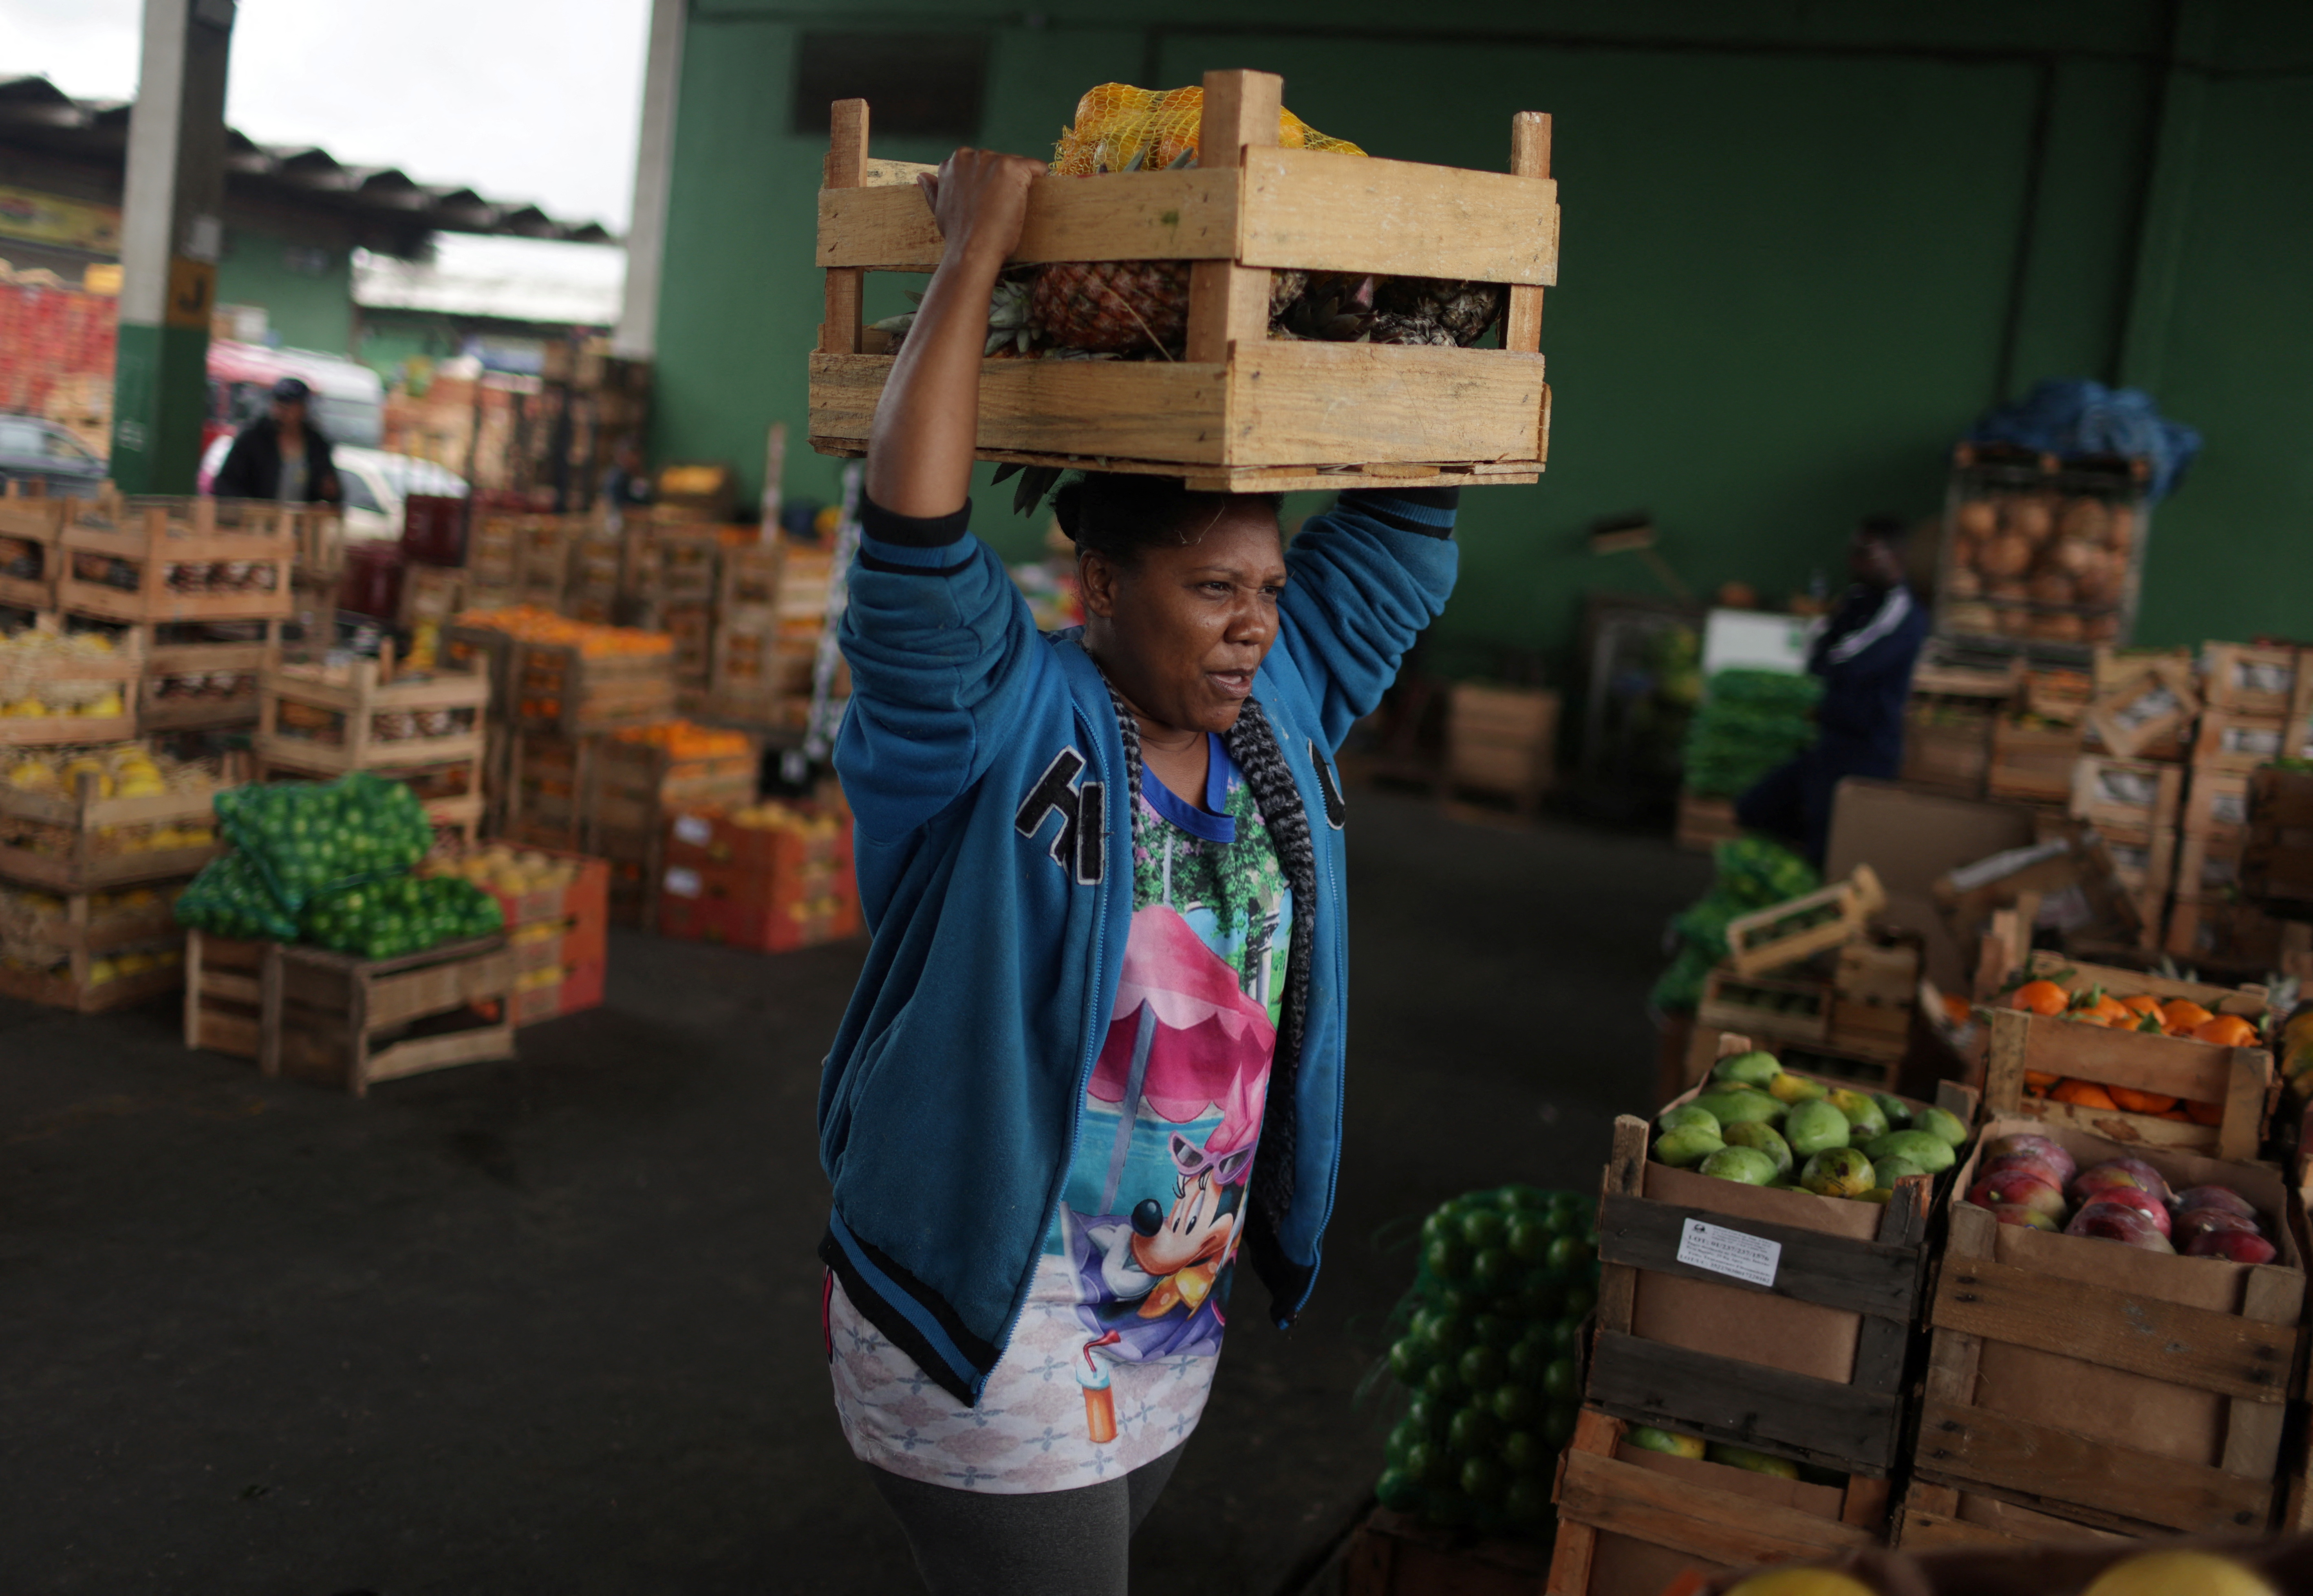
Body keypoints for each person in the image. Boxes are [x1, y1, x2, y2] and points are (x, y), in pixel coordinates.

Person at [816, 147, 1460, 1596]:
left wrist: (1388, 285)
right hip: (985, 1305)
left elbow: (1410, 527)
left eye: (1270, 592)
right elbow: (910, 553)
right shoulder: (997, 721)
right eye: (1211, 589)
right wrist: (972, 256)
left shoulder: (1277, 722)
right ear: (1097, 587)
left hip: (1167, 1305)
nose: (1251, 627)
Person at [1735, 515, 1929, 864]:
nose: (1853, 560)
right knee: (1755, 808)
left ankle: (1820, 895)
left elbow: (1847, 660)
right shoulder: (1856, 599)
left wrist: (1829, 660)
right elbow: (1818, 654)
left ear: (1895, 556)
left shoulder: (1903, 613)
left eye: (1865, 552)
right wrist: (1827, 659)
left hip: (1866, 751)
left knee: (1826, 845)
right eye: (1852, 550)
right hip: (1828, 742)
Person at [210, 376, 341, 505]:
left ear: (303, 409)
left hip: (298, 522)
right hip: (256, 520)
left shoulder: (317, 445)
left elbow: (330, 489)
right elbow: (225, 483)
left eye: (289, 406)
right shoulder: (253, 439)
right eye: (278, 404)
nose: (282, 412)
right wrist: (247, 505)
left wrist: (330, 493)